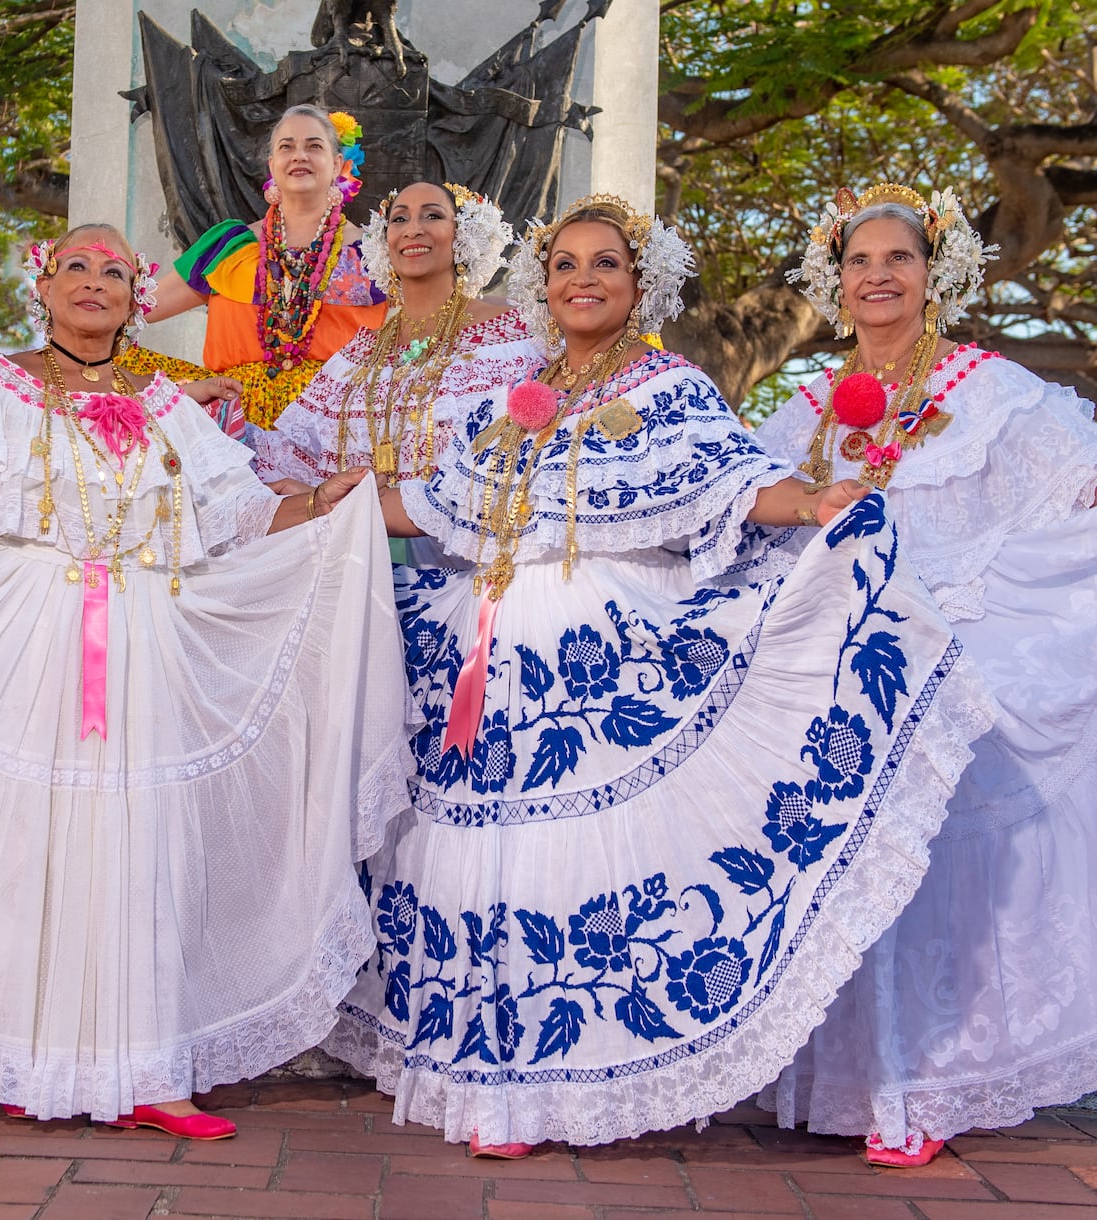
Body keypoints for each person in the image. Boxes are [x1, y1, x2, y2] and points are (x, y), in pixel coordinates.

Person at [322, 195, 993, 1156]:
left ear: (641, 286)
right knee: (487, 870)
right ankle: (491, 1092)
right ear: (541, 286)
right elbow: (433, 504)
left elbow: (729, 483)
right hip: (493, 676)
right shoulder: (513, 399)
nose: (582, 280)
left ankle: (558, 1094)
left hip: (600, 676)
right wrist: (323, 506)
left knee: (568, 876)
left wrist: (815, 503)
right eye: (564, 265)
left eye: (605, 265)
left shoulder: (672, 385)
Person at [0, 224, 412, 1138]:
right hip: (31, 642)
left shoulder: (165, 402)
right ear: (43, 286)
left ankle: (149, 1072)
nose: (94, 282)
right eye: (76, 267)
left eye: (115, 271)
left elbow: (239, 513)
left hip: (145, 639)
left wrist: (319, 505)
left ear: (140, 297)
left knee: (145, 835)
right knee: (29, 840)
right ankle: (25, 1056)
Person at [754, 181, 1097, 1166]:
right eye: (858, 261)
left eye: (896, 258)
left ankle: (928, 1080)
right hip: (841, 636)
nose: (876, 276)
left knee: (934, 784)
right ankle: (844, 1074)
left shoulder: (989, 387)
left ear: (933, 271)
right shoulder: (809, 405)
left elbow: (1077, 478)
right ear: (837, 280)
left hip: (960, 631)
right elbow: (755, 500)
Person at [251, 180, 541, 561]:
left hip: (477, 563)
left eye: (433, 216)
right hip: (361, 563)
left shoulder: (513, 334)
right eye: (399, 218)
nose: (413, 229)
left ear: (465, 233)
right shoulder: (356, 358)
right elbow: (299, 457)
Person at [120, 106, 387, 433]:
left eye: (314, 146)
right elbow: (127, 312)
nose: (299, 155)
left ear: (338, 165)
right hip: (232, 428)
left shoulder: (378, 254)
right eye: (286, 147)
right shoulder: (228, 246)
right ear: (272, 165)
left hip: (335, 429)